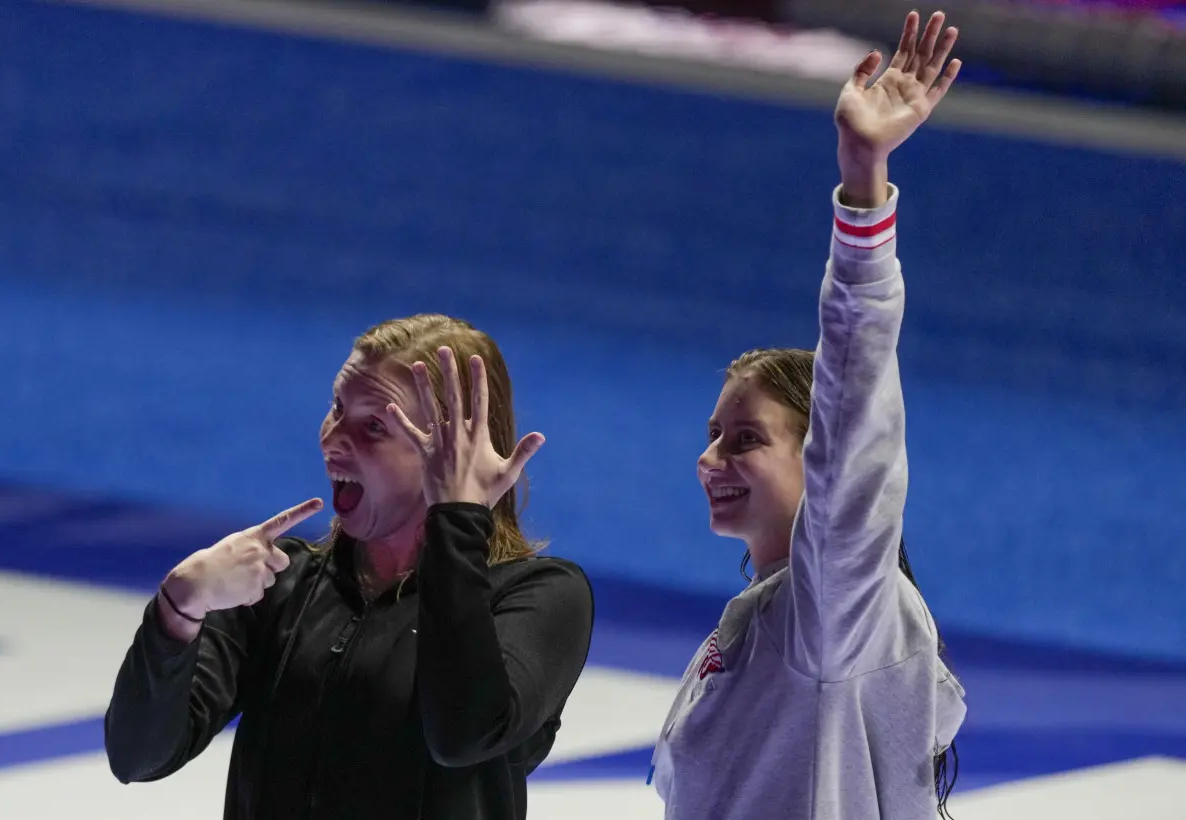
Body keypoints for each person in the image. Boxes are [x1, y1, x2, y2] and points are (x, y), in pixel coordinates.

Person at [649, 11, 968, 820]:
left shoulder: (833, 614)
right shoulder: (763, 619)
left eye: (747, 439)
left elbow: (857, 409)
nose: (711, 460)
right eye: (713, 436)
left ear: (819, 457)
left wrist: (864, 187)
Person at [104, 314, 594, 820]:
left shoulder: (541, 597)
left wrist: (459, 521)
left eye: (375, 426)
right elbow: (137, 756)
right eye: (338, 408)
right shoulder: (281, 583)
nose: (334, 440)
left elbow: (462, 734)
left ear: (456, 453)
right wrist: (178, 609)